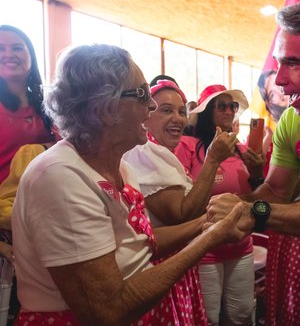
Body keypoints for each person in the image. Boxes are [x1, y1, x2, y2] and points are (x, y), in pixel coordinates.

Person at [11, 43, 247, 325]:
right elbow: (108, 311)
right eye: (142, 95)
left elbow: (141, 244)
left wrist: (208, 223)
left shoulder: (119, 165)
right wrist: (210, 238)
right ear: (105, 108)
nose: (150, 106)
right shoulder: (59, 177)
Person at [206, 3, 300, 326]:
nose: (280, 81)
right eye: (278, 63)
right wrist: (227, 205)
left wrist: (251, 212)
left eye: (293, 63)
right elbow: (275, 189)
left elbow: (266, 206)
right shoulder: (291, 121)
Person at [124, 77, 240, 324]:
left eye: (180, 111)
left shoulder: (160, 151)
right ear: (145, 115)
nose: (177, 118)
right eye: (165, 110)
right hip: (160, 265)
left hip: (177, 260)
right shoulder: (146, 151)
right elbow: (181, 213)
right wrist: (212, 161)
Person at [175, 84, 264, 325]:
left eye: (232, 106)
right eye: (221, 106)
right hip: (204, 248)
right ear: (207, 112)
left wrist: (257, 174)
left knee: (242, 314)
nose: (228, 111)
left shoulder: (242, 150)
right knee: (208, 318)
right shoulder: (187, 146)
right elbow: (182, 203)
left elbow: (256, 198)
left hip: (241, 244)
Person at [0, 24, 54, 184]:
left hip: (47, 195)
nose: (8, 54)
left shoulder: (50, 104)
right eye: (1, 49)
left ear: (31, 57)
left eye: (17, 48)